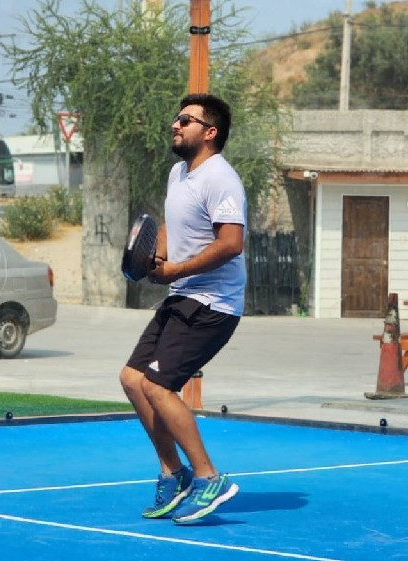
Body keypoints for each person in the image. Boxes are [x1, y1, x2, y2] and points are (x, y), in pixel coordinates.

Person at [119, 93, 247, 524]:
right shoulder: (179, 173)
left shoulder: (221, 179)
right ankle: (174, 474)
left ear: (210, 132)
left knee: (158, 386)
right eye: (176, 118)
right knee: (133, 379)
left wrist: (176, 270)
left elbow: (231, 243)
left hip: (214, 303)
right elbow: (169, 227)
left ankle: (209, 478)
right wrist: (158, 258)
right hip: (182, 295)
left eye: (185, 120)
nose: (175, 124)